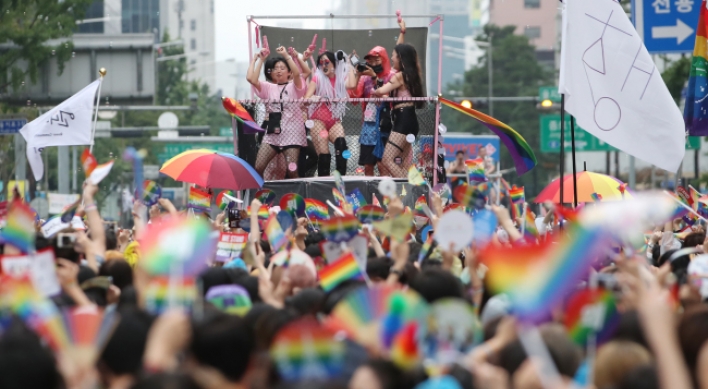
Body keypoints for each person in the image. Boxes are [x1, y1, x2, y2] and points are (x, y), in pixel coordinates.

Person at [346, 17, 407, 177]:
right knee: (368, 166)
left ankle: (386, 197)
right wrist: (357, 74)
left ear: (385, 59)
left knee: (384, 165)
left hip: (386, 124)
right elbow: (353, 98)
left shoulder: (393, 75)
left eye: (377, 59)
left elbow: (400, 55)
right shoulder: (364, 78)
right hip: (368, 128)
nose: (373, 63)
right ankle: (370, 196)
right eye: (370, 60)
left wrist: (402, 32)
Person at [247, 46, 307, 179]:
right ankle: (261, 197)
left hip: (293, 133)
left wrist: (286, 55)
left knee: (292, 171)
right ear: (271, 73)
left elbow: (298, 74)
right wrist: (259, 60)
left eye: (282, 68)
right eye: (275, 68)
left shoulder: (294, 86)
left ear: (289, 72)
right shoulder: (268, 87)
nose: (278, 70)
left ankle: (297, 198)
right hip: (273, 133)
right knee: (258, 168)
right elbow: (251, 79)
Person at [372, 42, 424, 177]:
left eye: (393, 56)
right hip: (410, 120)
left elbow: (381, 91)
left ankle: (410, 185)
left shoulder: (400, 76)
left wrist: (375, 86)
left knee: (387, 160)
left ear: (400, 58)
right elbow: (394, 94)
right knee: (402, 163)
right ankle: (408, 193)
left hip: (403, 120)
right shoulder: (413, 75)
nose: (392, 59)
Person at [305, 50, 351, 176]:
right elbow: (305, 99)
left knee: (341, 144)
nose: (324, 65)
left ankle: (340, 178)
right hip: (317, 120)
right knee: (324, 151)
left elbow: (352, 84)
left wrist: (349, 64)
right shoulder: (317, 77)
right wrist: (311, 99)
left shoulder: (340, 79)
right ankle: (323, 183)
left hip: (334, 120)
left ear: (334, 64)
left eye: (327, 62)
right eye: (321, 63)